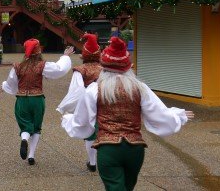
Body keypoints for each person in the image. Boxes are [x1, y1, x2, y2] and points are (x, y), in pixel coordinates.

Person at [62, 37, 194, 190]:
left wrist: (68, 119)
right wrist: (178, 115)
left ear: (104, 67)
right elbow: (159, 114)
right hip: (135, 150)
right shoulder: (139, 87)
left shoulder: (95, 89)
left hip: (108, 149)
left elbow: (82, 121)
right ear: (128, 67)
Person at [1, 39, 74, 165]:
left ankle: (24, 139)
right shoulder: (42, 65)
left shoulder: (18, 66)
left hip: (22, 100)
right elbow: (59, 69)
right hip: (37, 99)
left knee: (25, 125)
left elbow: (11, 84)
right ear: (39, 50)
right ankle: (31, 156)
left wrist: (4, 87)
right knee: (36, 127)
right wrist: (65, 56)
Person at [56, 33, 103, 172]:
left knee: (90, 132)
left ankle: (93, 162)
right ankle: (103, 159)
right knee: (105, 129)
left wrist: (67, 108)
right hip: (105, 102)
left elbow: (76, 91)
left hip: (89, 102)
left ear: (84, 54)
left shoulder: (80, 70)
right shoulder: (105, 69)